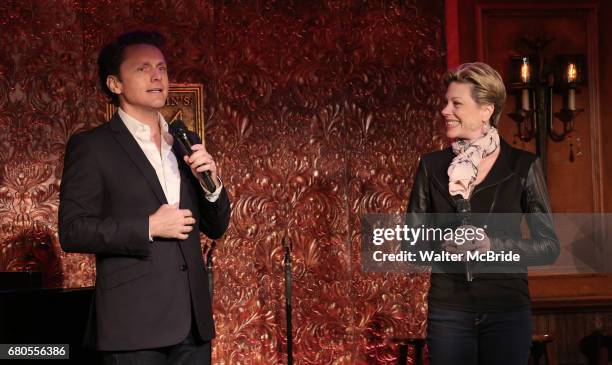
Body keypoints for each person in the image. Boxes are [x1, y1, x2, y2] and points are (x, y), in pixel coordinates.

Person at [58, 31, 231, 364]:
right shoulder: (93, 147)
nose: (157, 76)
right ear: (115, 84)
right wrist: (148, 226)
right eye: (143, 68)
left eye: (162, 68)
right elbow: (73, 230)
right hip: (132, 326)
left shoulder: (184, 139)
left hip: (193, 327)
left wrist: (212, 185)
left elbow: (217, 225)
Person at [406, 62, 560, 365]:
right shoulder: (431, 166)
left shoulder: (523, 166)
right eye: (446, 102)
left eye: (456, 103)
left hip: (507, 308)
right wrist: (442, 244)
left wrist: (493, 247)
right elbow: (412, 244)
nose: (445, 110)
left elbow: (548, 247)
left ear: (486, 110)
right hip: (449, 309)